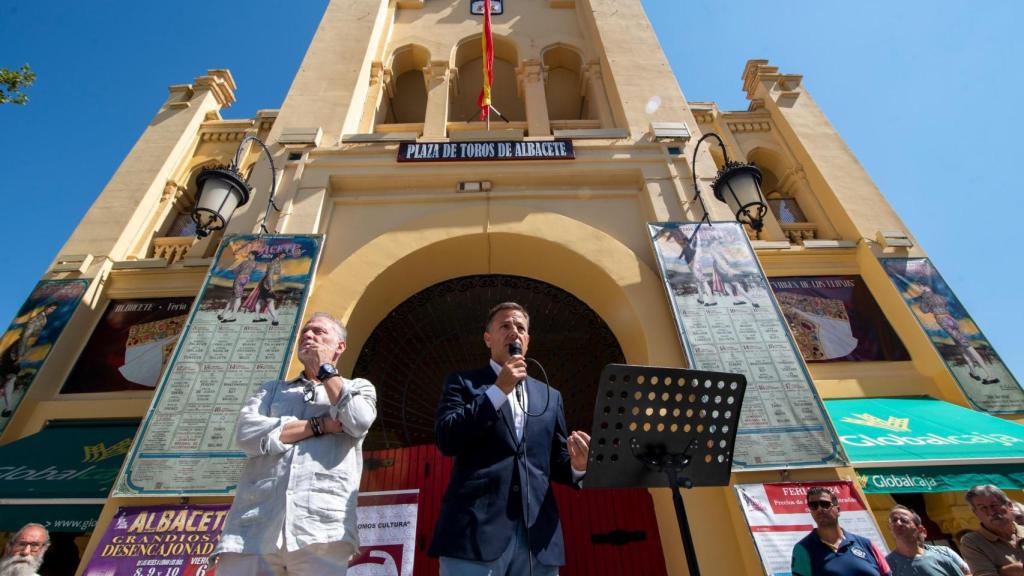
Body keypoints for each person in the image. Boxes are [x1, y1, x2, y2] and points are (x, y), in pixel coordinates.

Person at [429, 302, 591, 576]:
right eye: (505, 326)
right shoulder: (462, 382)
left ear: (527, 340)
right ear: (488, 338)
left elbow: (554, 461)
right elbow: (447, 439)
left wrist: (579, 466)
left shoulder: (550, 396)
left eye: (521, 328)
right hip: (474, 532)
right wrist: (498, 390)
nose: (514, 332)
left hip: (537, 540)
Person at [211, 312, 377, 575]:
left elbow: (357, 420)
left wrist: (326, 370)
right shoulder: (271, 390)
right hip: (253, 528)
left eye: (319, 332)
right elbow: (246, 434)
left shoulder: (357, 387)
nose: (308, 335)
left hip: (321, 529)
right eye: (305, 332)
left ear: (340, 346)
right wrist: (319, 425)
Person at [791, 486, 891, 576]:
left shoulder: (867, 545)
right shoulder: (803, 549)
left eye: (825, 504)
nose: (819, 509)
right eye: (813, 505)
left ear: (838, 510)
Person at [1, 304, 58, 417]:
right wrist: (20, 355)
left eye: (53, 310)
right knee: (9, 377)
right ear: (46, 307)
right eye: (51, 308)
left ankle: (8, 408)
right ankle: (8, 408)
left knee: (11, 378)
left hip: (21, 350)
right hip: (16, 351)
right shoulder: (36, 319)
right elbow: (24, 337)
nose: (51, 311)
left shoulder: (44, 319)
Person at [886, 505, 971, 576]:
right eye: (894, 520)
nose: (898, 523)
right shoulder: (886, 567)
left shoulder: (942, 559)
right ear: (890, 528)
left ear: (919, 529)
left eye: (904, 520)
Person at [960, 485, 1024, 576]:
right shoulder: (972, 542)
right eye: (983, 508)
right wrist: (1010, 571)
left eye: (994, 505)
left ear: (1009, 506)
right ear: (975, 513)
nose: (991, 512)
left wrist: (1001, 572)